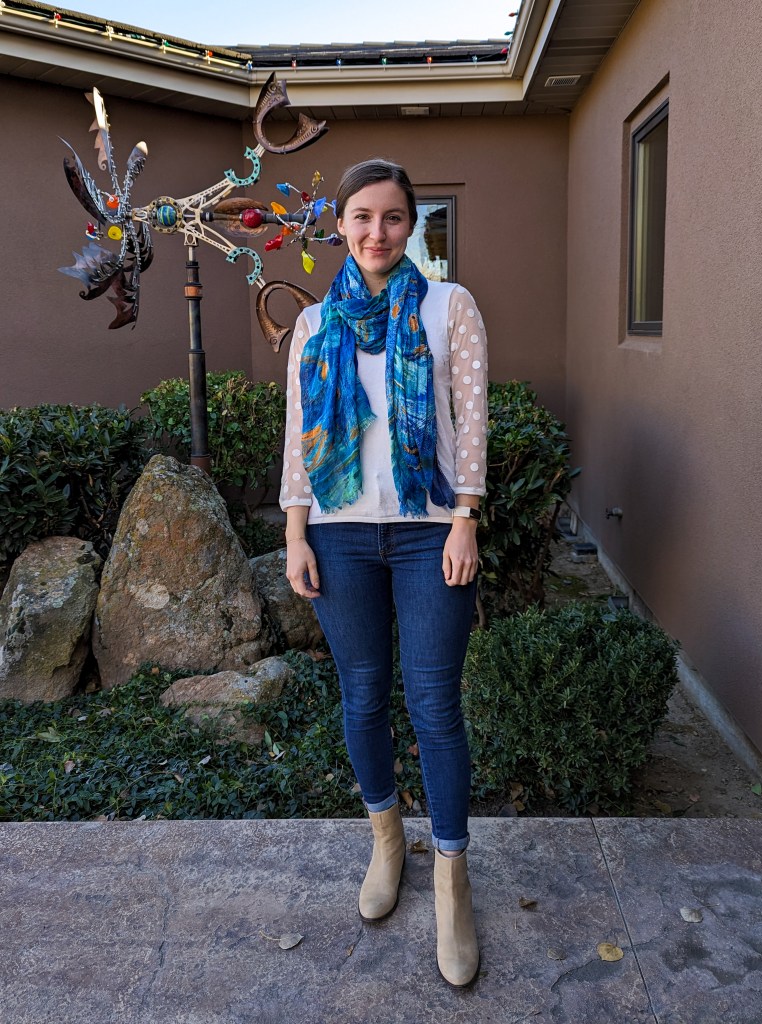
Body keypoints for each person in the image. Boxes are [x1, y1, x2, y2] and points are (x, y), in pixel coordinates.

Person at [280, 158, 488, 987]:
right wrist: (294, 534)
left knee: (434, 705)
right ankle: (386, 842)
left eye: (392, 217)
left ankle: (451, 883)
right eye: (361, 217)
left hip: (429, 532)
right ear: (339, 226)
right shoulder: (314, 322)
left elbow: (471, 419)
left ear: (412, 226)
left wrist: (465, 517)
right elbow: (300, 435)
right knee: (362, 695)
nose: (376, 231)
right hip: (337, 536)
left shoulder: (448, 305)